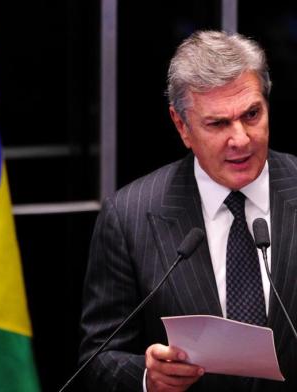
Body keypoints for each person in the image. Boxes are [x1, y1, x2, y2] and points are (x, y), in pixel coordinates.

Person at [78, 30, 297, 391]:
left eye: (252, 114)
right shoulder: (130, 216)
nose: (241, 139)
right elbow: (98, 359)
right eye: (218, 123)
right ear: (182, 127)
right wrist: (149, 378)